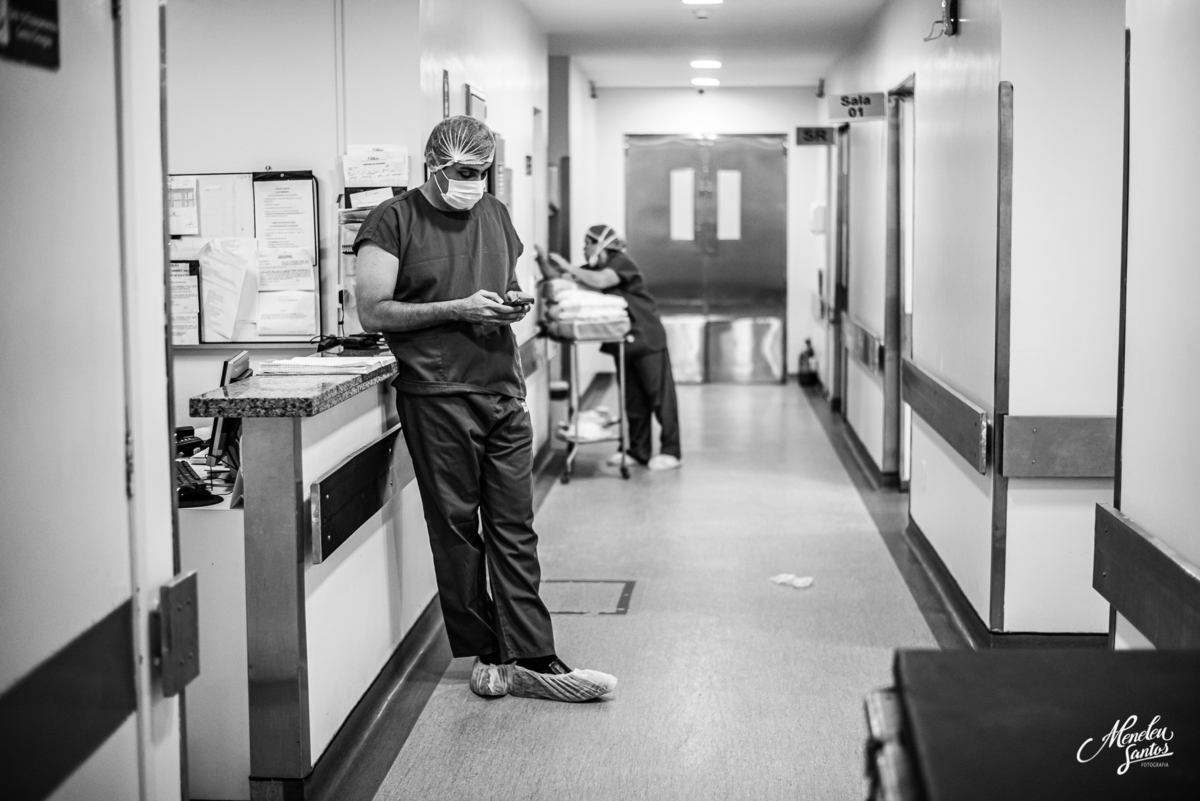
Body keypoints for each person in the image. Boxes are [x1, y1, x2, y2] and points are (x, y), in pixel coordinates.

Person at [354, 116, 615, 703]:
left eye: (481, 171)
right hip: (437, 394)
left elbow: (503, 279)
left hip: (501, 387)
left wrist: (510, 303)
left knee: (515, 526)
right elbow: (373, 311)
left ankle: (537, 654)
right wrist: (458, 309)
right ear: (434, 167)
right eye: (463, 173)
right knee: (456, 530)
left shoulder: (494, 213)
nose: (474, 182)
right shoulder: (391, 222)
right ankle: (489, 649)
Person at [536, 225, 682, 470]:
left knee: (659, 398)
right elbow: (559, 278)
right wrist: (542, 260)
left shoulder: (620, 262)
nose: (584, 248)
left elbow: (602, 280)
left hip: (647, 338)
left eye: (588, 243)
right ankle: (638, 451)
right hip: (623, 340)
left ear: (601, 244)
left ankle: (673, 451)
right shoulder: (593, 269)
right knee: (633, 400)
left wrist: (569, 266)